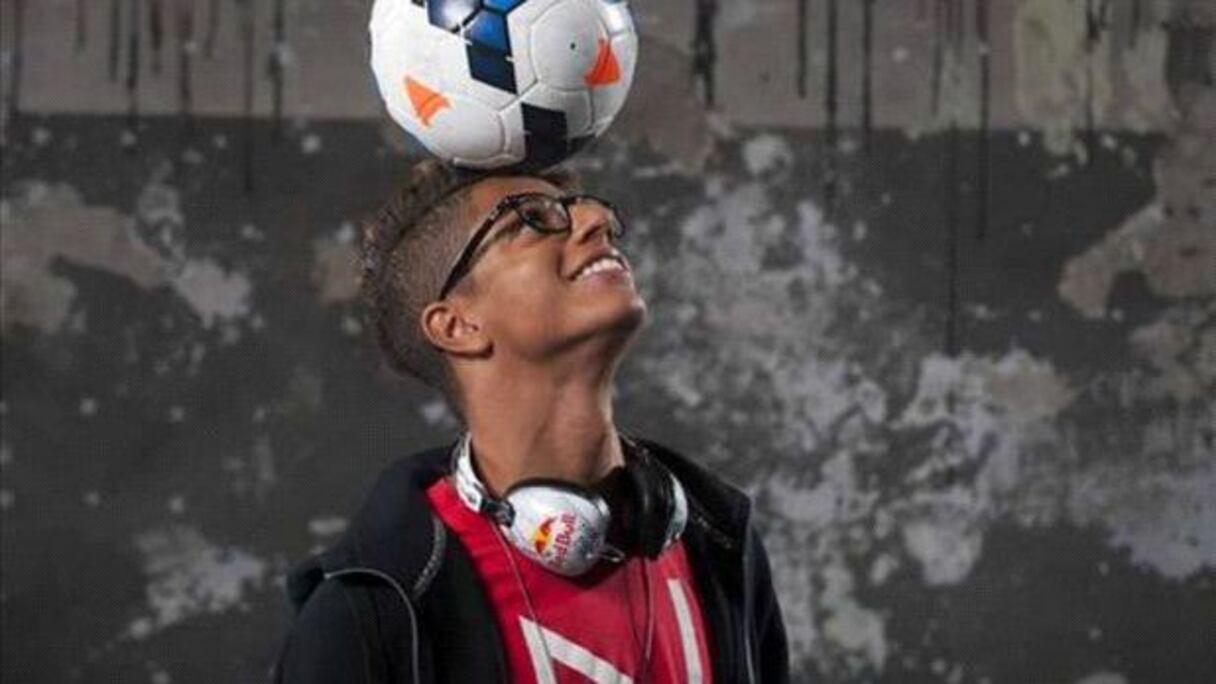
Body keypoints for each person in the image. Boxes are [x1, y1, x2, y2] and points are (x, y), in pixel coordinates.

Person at [271, 160, 789, 683]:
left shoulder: (720, 542)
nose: (596, 221)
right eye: (531, 220)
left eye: (586, 209)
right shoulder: (367, 616)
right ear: (457, 324)